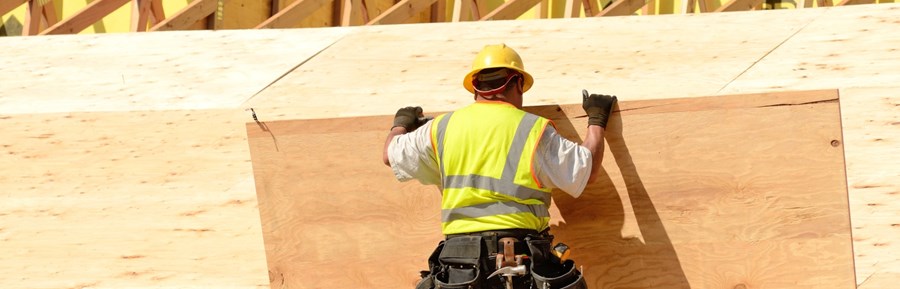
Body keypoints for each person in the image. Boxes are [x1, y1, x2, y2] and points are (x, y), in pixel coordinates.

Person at [382, 44, 616, 289]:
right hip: (519, 260)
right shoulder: (531, 129)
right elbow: (585, 169)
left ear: (474, 88)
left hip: (459, 267)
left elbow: (389, 154)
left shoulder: (441, 128)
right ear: (517, 83)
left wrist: (401, 123)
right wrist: (596, 121)